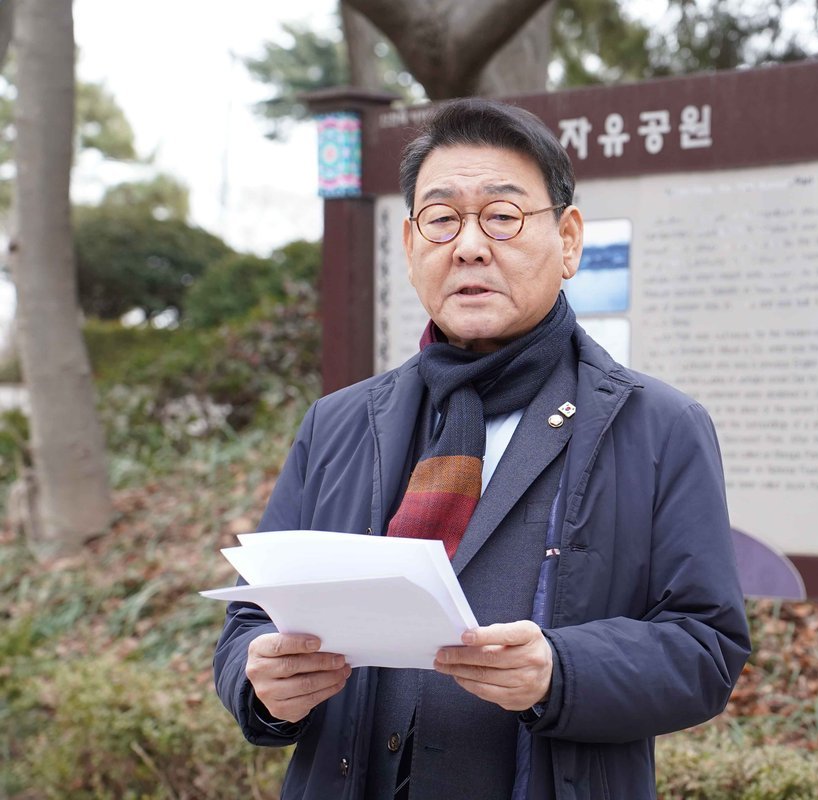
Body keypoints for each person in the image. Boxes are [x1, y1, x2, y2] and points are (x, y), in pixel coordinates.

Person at [213, 97, 751, 800]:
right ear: (411, 245)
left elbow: (706, 648)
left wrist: (561, 670)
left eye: (502, 215)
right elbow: (251, 619)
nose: (469, 246)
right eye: (442, 219)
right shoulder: (339, 422)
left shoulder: (657, 426)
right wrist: (260, 683)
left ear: (568, 241)